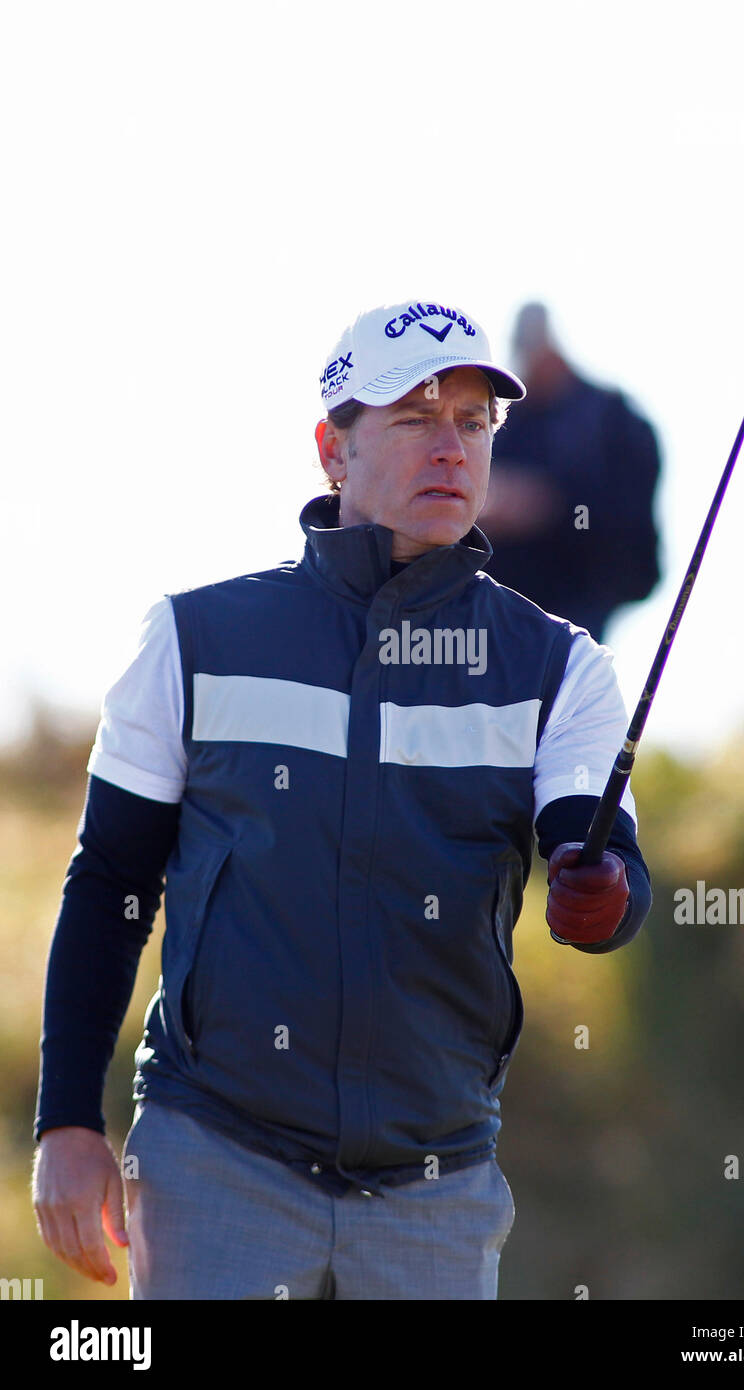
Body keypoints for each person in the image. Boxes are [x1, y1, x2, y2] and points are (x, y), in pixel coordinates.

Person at [32, 298, 651, 1301]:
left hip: (434, 1191)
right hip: (213, 1163)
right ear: (333, 448)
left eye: (472, 421)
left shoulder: (559, 667)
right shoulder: (194, 639)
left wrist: (604, 891)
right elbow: (109, 882)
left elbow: (599, 854)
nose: (449, 446)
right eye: (412, 418)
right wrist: (66, 1122)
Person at [479, 302, 662, 643]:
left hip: (585, 594)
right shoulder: (509, 424)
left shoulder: (615, 419)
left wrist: (550, 508)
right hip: (506, 609)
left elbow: (627, 520)